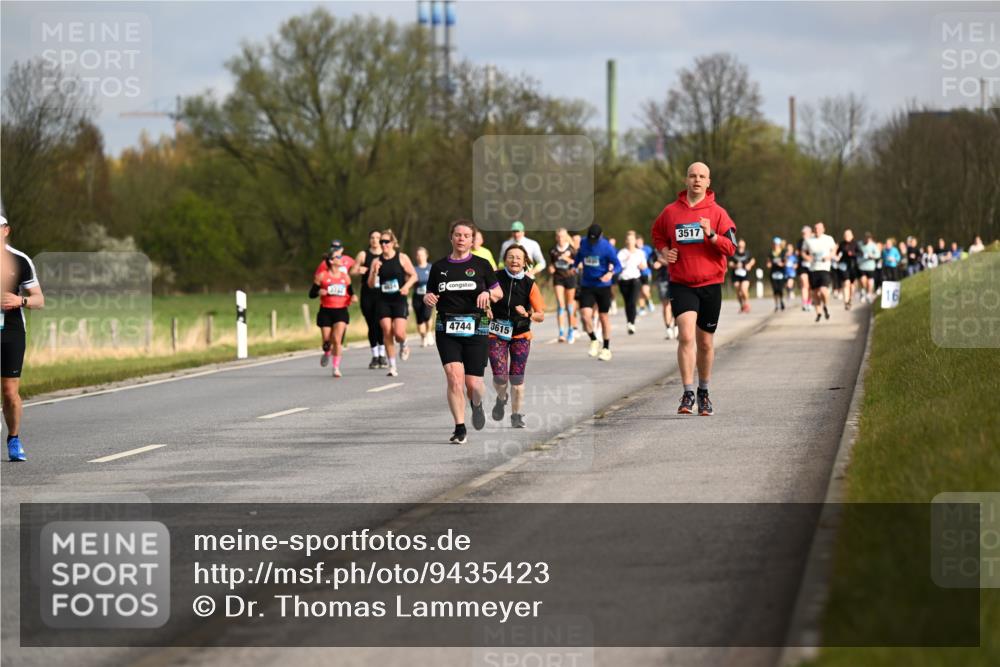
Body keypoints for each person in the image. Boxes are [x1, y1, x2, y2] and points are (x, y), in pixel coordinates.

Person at [651, 161, 736, 416]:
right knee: (686, 336)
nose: (697, 180)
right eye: (692, 176)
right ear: (686, 180)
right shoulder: (670, 212)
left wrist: (711, 235)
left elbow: (731, 247)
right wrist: (665, 252)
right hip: (682, 283)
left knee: (705, 343)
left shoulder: (718, 213)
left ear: (708, 182)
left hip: (710, 284)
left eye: (701, 176)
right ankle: (687, 392)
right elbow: (657, 235)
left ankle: (704, 392)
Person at [424, 220, 502, 444]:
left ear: (472, 240)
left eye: (466, 235)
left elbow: (498, 293)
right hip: (446, 326)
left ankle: (476, 405)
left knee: (473, 385)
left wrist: (488, 294)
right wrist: (427, 297)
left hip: (476, 326)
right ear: (451, 237)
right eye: (457, 235)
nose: (461, 239)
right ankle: (459, 427)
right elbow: (430, 293)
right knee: (454, 379)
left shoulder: (481, 264)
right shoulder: (439, 267)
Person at [488, 245, 546, 429]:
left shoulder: (529, 284)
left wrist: (527, 314)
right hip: (496, 333)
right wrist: (486, 308)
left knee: (516, 379)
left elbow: (541, 315)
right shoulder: (495, 278)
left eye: (518, 258)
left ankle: (516, 415)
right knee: (500, 377)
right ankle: (501, 398)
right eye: (511, 257)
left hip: (520, 335)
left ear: (525, 261)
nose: (514, 260)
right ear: (505, 259)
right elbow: (482, 297)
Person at [1, 215, 44, 461]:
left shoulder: (20, 260)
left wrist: (20, 300)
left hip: (11, 330)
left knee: (9, 391)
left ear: (6, 231)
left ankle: (14, 439)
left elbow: (39, 300)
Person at [368, 230, 417, 377]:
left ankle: (404, 343)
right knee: (387, 331)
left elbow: (414, 276)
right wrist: (374, 272)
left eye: (386, 241)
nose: (383, 244)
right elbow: (370, 284)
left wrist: (406, 287)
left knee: (399, 333)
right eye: (381, 242)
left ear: (393, 243)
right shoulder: (376, 261)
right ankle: (392, 366)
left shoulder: (402, 257)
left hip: (399, 300)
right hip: (383, 300)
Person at [574, 224, 621, 361]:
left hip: (603, 285)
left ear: (600, 236)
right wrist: (574, 266)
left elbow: (618, 265)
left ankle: (606, 348)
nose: (592, 242)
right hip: (587, 284)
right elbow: (579, 256)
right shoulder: (583, 242)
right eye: (590, 239)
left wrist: (610, 273)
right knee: (585, 315)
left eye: (594, 240)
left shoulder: (607, 247)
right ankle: (594, 339)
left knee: (603, 317)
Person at [309, 249, 355, 377]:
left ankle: (336, 367)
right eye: (338, 257)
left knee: (337, 339)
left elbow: (351, 292)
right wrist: (319, 292)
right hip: (326, 311)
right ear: (331, 261)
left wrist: (353, 297)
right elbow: (311, 294)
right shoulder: (322, 276)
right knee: (326, 341)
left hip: (341, 310)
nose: (341, 259)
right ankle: (327, 352)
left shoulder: (345, 277)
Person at [352, 230, 387, 369]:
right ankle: (375, 356)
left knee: (381, 324)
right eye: (372, 237)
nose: (375, 240)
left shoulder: (386, 254)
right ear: (369, 239)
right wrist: (358, 270)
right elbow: (352, 271)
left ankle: (382, 354)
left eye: (378, 237)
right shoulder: (363, 254)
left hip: (382, 293)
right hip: (367, 294)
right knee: (371, 324)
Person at [802, 221, 837, 322]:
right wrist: (807, 257)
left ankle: (825, 305)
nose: (817, 230)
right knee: (815, 293)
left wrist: (829, 257)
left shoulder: (828, 239)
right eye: (816, 228)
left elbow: (834, 249)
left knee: (823, 290)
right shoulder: (809, 240)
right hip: (813, 269)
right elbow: (803, 252)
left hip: (824, 268)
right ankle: (818, 313)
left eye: (819, 228)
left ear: (823, 229)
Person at [548, 228, 578, 344]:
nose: (561, 239)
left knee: (570, 305)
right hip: (558, 278)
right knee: (561, 305)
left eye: (563, 236)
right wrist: (551, 268)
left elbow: (578, 264)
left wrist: (568, 259)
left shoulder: (572, 249)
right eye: (559, 236)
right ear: (556, 238)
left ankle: (571, 330)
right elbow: (552, 264)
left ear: (566, 237)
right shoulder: (553, 250)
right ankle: (561, 332)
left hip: (570, 278)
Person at [616, 230, 648, 335]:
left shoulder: (640, 253)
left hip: (635, 279)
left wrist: (642, 266)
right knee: (627, 302)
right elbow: (617, 266)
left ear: (635, 241)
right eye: (628, 240)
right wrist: (625, 261)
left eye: (632, 239)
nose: (630, 241)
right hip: (623, 280)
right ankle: (629, 322)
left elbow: (644, 266)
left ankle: (632, 323)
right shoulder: (622, 253)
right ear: (626, 241)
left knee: (632, 301)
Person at [412, 247, 435, 347]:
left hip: (429, 296)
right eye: (418, 255)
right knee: (419, 319)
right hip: (417, 296)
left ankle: (429, 332)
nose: (420, 257)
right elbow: (409, 281)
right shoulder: (414, 269)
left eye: (422, 255)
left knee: (427, 315)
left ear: (426, 256)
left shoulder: (431, 268)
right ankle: (423, 337)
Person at [652, 252, 677, 339]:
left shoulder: (676, 246)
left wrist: (663, 261)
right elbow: (653, 264)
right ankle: (668, 328)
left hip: (676, 278)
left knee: (676, 304)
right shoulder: (657, 250)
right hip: (663, 280)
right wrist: (659, 261)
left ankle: (676, 325)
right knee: (666, 305)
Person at [835, 229, 861, 310]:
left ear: (852, 236)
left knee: (852, 285)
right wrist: (837, 257)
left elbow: (860, 253)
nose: (846, 237)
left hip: (853, 266)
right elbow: (837, 253)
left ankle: (850, 299)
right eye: (845, 235)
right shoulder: (842, 244)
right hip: (844, 266)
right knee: (846, 283)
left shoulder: (855, 244)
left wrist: (853, 254)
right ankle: (846, 302)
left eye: (848, 235)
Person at [729, 238, 755, 313]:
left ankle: (746, 304)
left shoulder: (747, 253)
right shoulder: (734, 253)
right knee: (738, 292)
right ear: (738, 246)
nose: (741, 247)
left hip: (745, 275)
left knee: (744, 290)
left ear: (744, 246)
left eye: (742, 246)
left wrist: (749, 265)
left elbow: (753, 260)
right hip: (736, 275)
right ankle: (741, 306)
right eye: (739, 246)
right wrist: (735, 265)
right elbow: (730, 263)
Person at [637, 234, 656, 315]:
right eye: (637, 241)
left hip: (646, 272)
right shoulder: (634, 250)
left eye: (639, 241)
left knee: (645, 290)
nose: (638, 243)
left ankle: (649, 302)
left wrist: (647, 265)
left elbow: (652, 259)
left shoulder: (647, 249)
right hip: (637, 274)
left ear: (642, 241)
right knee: (640, 291)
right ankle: (642, 308)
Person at [858, 232, 879, 303]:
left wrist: (871, 256)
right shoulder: (859, 244)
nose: (867, 240)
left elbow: (878, 255)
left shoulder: (873, 245)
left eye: (868, 238)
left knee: (870, 282)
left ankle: (869, 294)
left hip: (870, 266)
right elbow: (856, 252)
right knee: (863, 280)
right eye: (866, 238)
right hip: (862, 266)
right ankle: (863, 291)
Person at [766, 237, 786, 311]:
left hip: (781, 273)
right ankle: (776, 305)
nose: (776, 245)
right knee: (775, 290)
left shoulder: (783, 252)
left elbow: (786, 262)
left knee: (780, 289)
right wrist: (769, 264)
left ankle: (781, 301)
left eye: (777, 244)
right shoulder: (771, 253)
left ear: (779, 244)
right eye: (774, 244)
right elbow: (768, 263)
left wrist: (782, 264)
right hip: (773, 273)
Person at [796, 226, 813, 311]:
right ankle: (804, 303)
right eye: (802, 233)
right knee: (804, 284)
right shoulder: (800, 242)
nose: (803, 235)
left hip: (813, 266)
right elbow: (798, 252)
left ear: (810, 233)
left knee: (810, 286)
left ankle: (809, 302)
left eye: (805, 233)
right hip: (802, 265)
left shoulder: (814, 241)